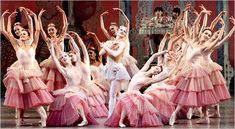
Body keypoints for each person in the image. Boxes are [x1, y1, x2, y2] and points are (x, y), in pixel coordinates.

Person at [2, 8, 54, 127]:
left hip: (31, 74)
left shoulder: (33, 45)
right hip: (20, 74)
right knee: (20, 99)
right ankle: (20, 121)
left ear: (28, 36)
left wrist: (31, 17)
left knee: (35, 99)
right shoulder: (17, 46)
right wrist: (7, 18)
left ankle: (44, 118)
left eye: (24, 33)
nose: (22, 35)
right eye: (20, 34)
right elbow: (6, 32)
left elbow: (37, 30)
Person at [105, 50, 179, 127]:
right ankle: (122, 121)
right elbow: (153, 56)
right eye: (157, 69)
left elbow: (166, 76)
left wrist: (176, 64)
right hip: (128, 92)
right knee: (126, 104)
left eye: (158, 72)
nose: (156, 72)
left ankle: (121, 122)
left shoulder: (148, 80)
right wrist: (163, 52)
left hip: (135, 95)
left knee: (127, 104)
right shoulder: (142, 71)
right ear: (153, 67)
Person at [46, 38, 98, 126]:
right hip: (70, 89)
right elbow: (54, 58)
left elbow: (78, 51)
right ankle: (82, 119)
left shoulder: (77, 66)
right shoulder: (64, 70)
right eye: (62, 58)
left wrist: (72, 39)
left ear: (70, 58)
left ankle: (83, 119)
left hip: (79, 89)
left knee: (77, 99)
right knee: (73, 98)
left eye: (65, 56)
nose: (63, 58)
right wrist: (51, 46)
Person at [68, 31, 108, 118]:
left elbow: (85, 47)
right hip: (89, 84)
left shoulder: (94, 60)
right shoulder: (83, 64)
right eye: (88, 53)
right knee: (88, 101)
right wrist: (71, 41)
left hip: (100, 82)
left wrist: (93, 36)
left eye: (91, 53)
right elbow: (76, 51)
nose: (90, 54)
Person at [99, 24, 131, 117]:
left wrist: (106, 47)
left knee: (112, 94)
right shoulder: (110, 42)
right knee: (115, 94)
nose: (123, 32)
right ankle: (126, 111)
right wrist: (107, 45)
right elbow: (101, 53)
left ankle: (111, 116)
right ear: (117, 31)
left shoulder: (122, 44)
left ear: (125, 35)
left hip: (117, 70)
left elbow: (116, 54)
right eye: (121, 29)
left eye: (125, 31)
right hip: (109, 69)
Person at [100, 8, 139, 78]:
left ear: (117, 28)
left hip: (126, 59)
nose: (111, 30)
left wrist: (121, 12)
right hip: (118, 60)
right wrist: (101, 17)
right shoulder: (112, 40)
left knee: (132, 77)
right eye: (110, 29)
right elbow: (103, 29)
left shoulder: (125, 36)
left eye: (112, 28)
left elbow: (128, 22)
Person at [38, 6, 68, 92]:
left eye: (52, 29)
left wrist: (63, 13)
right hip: (51, 62)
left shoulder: (61, 37)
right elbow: (40, 30)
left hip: (62, 61)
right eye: (49, 30)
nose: (50, 31)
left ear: (56, 30)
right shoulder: (48, 40)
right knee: (51, 83)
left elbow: (65, 25)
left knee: (63, 82)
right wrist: (39, 17)